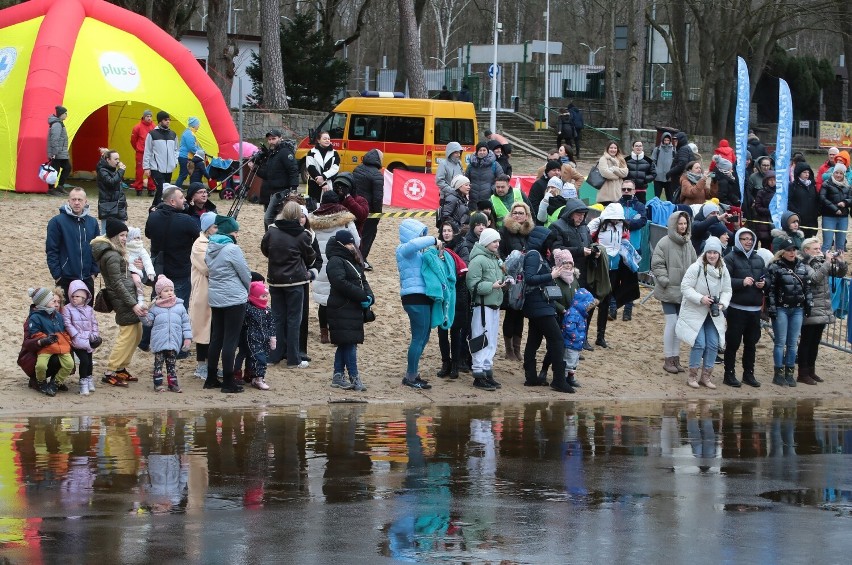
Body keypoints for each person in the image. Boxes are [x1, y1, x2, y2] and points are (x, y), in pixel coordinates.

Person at [90, 219, 147, 387]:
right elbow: (116, 283)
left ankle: (121, 368)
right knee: (127, 334)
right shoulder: (112, 255)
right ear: (113, 236)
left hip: (128, 297)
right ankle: (111, 370)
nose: (124, 239)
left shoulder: (116, 252)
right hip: (123, 300)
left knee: (137, 333)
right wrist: (133, 304)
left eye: (126, 235)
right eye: (122, 235)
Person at [262, 201, 317, 368]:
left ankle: (274, 355)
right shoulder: (302, 235)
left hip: (276, 280)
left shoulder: (272, 231)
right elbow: (310, 256)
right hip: (295, 280)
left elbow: (265, 249)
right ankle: (294, 358)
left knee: (278, 318)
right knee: (294, 320)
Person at [144, 184, 199, 350]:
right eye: (181, 198)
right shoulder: (186, 220)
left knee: (155, 304)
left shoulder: (153, 217)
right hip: (179, 269)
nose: (185, 200)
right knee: (179, 309)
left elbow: (148, 234)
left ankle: (145, 340)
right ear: (173, 201)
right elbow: (198, 238)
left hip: (159, 270)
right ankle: (179, 346)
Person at [499, 202, 554, 357]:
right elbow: (500, 253)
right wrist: (510, 266)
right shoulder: (504, 232)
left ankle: (517, 349)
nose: (517, 215)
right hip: (511, 277)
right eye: (515, 212)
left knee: (521, 314)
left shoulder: (532, 232)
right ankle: (509, 349)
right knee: (511, 312)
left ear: (527, 215)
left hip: (528, 278)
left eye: (521, 213)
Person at [676, 236, 732, 389]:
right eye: (709, 252)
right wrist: (701, 299)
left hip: (713, 313)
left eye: (715, 252)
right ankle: (692, 376)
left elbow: (727, 290)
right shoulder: (696, 267)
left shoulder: (723, 269)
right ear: (705, 253)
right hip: (695, 310)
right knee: (699, 343)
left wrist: (723, 303)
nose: (712, 255)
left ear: (719, 254)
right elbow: (685, 287)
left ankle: (706, 376)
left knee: (713, 344)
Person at [515, 249, 573, 392]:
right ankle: (558, 380)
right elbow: (529, 278)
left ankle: (531, 377)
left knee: (533, 340)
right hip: (539, 306)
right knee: (557, 340)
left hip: (540, 306)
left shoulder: (538, 255)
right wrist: (551, 275)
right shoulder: (534, 254)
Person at [205, 215, 251, 392]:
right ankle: (228, 381)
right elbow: (245, 273)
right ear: (229, 232)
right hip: (233, 298)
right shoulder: (232, 248)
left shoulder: (211, 246)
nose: (237, 235)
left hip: (216, 297)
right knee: (230, 339)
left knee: (217, 337)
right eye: (235, 231)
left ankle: (210, 378)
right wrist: (246, 290)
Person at [396, 219, 443, 389]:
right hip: (414, 296)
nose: (423, 236)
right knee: (418, 337)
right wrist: (433, 240)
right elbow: (414, 245)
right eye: (420, 233)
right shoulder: (403, 249)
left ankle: (413, 373)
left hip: (423, 296)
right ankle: (410, 376)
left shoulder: (418, 253)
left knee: (424, 336)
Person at [325, 230, 374, 391]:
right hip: (341, 307)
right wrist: (361, 296)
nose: (351, 246)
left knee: (346, 343)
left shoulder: (352, 259)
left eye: (352, 243)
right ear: (341, 244)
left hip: (352, 308)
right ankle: (354, 377)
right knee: (350, 343)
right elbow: (340, 282)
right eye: (348, 243)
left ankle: (338, 375)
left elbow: (362, 279)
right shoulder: (335, 260)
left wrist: (369, 296)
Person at [587, 203, 640, 348]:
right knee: (592, 301)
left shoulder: (622, 226)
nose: (616, 221)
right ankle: (584, 337)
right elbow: (587, 238)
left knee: (605, 303)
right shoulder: (597, 223)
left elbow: (624, 239)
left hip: (614, 268)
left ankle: (600, 337)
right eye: (614, 218)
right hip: (598, 267)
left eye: (619, 219)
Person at [652, 211, 697, 374]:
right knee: (671, 323)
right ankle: (668, 358)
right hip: (668, 290)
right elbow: (657, 264)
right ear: (673, 225)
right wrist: (665, 280)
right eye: (680, 223)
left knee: (679, 325)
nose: (683, 226)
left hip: (684, 291)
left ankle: (676, 358)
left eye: (685, 223)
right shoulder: (664, 242)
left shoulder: (688, 243)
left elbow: (695, 264)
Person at [310, 191, 357, 345]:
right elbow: (356, 240)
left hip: (320, 264)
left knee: (324, 301)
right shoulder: (345, 220)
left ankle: (324, 333)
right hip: (340, 263)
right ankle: (337, 333)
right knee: (339, 299)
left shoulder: (312, 221)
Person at [721, 227, 766, 388]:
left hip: (754, 310)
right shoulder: (730, 258)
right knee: (733, 343)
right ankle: (729, 374)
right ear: (738, 240)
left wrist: (763, 283)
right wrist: (741, 282)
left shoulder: (759, 258)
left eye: (750, 239)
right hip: (736, 308)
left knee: (751, 343)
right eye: (745, 239)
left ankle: (749, 374)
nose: (748, 242)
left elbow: (765, 277)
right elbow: (724, 281)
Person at [765, 237, 813, 387]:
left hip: (797, 307)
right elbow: (770, 290)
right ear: (782, 252)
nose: (792, 252)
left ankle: (789, 373)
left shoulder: (801, 266)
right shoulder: (775, 267)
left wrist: (808, 304)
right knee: (780, 342)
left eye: (794, 249)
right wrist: (772, 308)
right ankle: (778, 373)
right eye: (789, 250)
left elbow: (807, 288)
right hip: (781, 308)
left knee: (792, 343)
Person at [799, 238, 847, 384]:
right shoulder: (803, 263)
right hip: (810, 306)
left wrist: (841, 261)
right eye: (816, 249)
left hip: (823, 307)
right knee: (806, 341)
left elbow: (839, 274)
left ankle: (811, 371)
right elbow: (814, 278)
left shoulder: (820, 262)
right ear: (806, 250)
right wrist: (826, 262)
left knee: (815, 341)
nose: (819, 251)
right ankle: (802, 373)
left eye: (819, 248)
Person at [466, 228, 505, 391]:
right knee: (481, 338)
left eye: (498, 241)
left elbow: (498, 278)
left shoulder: (495, 259)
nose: (497, 244)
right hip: (482, 306)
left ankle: (487, 371)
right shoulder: (478, 260)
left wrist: (504, 279)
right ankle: (478, 373)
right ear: (486, 242)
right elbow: (472, 285)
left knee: (492, 340)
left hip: (494, 304)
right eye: (494, 241)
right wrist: (492, 285)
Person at [46, 188, 100, 301]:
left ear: (85, 201)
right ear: (68, 201)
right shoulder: (57, 222)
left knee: (85, 315)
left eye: (80, 199)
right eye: (73, 199)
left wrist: (94, 272)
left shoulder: (92, 222)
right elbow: (52, 250)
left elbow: (97, 249)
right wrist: (58, 276)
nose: (76, 202)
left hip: (87, 278)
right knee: (65, 315)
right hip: (65, 278)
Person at [144, 275, 191, 393]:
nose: (169, 292)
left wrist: (187, 338)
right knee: (158, 363)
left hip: (174, 340)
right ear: (159, 293)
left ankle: (173, 384)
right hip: (159, 341)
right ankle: (158, 384)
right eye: (166, 291)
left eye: (171, 290)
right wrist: (143, 314)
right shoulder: (155, 307)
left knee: (171, 363)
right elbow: (148, 322)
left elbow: (186, 323)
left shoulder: (180, 306)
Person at [435, 220, 469, 379]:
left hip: (457, 295)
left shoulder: (462, 247)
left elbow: (464, 269)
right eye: (444, 231)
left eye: (449, 230)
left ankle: (455, 364)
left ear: (455, 232)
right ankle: (445, 363)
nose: (446, 233)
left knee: (455, 332)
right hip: (442, 296)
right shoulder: (437, 247)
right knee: (442, 332)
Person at [26, 287, 74, 396]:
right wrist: (44, 339)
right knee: (41, 366)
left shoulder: (57, 315)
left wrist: (67, 341)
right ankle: (40, 382)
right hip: (46, 347)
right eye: (52, 300)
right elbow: (33, 334)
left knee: (69, 364)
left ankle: (55, 382)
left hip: (60, 345)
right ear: (43, 303)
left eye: (57, 301)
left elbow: (63, 330)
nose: (55, 303)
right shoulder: (35, 317)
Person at [611, 180, 648, 321]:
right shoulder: (615, 205)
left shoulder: (639, 206)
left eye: (629, 189)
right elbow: (611, 220)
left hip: (634, 248)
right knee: (615, 278)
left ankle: (627, 310)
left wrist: (624, 222)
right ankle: (613, 308)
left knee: (631, 280)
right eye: (624, 189)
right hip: (616, 247)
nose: (626, 191)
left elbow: (642, 221)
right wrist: (630, 221)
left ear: (634, 191)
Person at [189, 212, 218, 379]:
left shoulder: (216, 242)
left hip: (217, 292)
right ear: (207, 229)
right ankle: (201, 365)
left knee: (214, 329)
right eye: (214, 227)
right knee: (202, 329)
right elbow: (208, 268)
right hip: (203, 292)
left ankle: (212, 364)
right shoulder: (199, 244)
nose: (217, 229)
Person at [62, 280, 100, 396]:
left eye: (77, 296)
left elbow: (94, 323)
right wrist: (75, 335)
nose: (74, 298)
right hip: (77, 340)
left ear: (84, 297)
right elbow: (67, 323)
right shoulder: (67, 308)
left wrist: (95, 335)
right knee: (83, 360)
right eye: (72, 296)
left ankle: (89, 379)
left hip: (88, 339)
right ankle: (83, 382)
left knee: (89, 361)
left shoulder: (89, 309)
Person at [255, 128, 300, 213]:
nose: (271, 141)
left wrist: (293, 190)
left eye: (273, 139)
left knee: (275, 219)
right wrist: (254, 169)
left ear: (280, 138)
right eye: (269, 139)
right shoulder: (271, 153)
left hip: (281, 193)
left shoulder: (285, 152)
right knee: (268, 220)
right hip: (269, 193)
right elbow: (267, 174)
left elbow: (293, 170)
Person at [353, 148, 384, 269]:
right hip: (368, 210)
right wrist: (378, 215)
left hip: (355, 207)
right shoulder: (377, 175)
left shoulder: (358, 169)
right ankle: (361, 259)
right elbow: (377, 197)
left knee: (356, 233)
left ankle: (355, 257)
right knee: (368, 235)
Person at [243, 281, 276, 390]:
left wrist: (272, 338)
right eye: (263, 296)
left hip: (265, 340)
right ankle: (259, 378)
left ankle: (255, 377)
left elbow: (271, 325)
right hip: (253, 338)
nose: (265, 298)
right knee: (259, 358)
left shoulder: (267, 310)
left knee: (263, 358)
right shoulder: (249, 309)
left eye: (266, 296)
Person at [142, 111, 178, 208]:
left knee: (166, 190)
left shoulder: (173, 134)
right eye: (165, 120)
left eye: (169, 120)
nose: (168, 122)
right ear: (160, 121)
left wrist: (175, 161)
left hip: (169, 168)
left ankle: (157, 207)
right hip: (156, 167)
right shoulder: (152, 134)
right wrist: (146, 167)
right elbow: (147, 151)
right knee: (161, 188)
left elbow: (176, 150)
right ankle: (156, 208)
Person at [818, 163, 851, 252]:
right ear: (833, 173)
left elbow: (851, 198)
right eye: (836, 172)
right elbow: (822, 198)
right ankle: (825, 263)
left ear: (844, 174)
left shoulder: (847, 185)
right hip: (829, 216)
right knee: (827, 243)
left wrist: (845, 202)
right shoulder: (826, 184)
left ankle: (839, 263)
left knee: (841, 244)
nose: (838, 175)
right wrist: (835, 208)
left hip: (843, 217)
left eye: (841, 173)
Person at [96, 149, 127, 235]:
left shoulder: (113, 170)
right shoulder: (102, 171)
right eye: (115, 159)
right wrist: (120, 171)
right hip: (108, 207)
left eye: (118, 159)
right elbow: (111, 183)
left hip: (119, 205)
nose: (118, 161)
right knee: (106, 234)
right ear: (108, 160)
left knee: (121, 232)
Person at [466, 142, 503, 209]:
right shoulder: (471, 165)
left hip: (489, 200)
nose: (482, 152)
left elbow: (501, 179)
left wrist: (493, 189)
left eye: (484, 150)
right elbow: (466, 180)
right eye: (480, 150)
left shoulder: (495, 165)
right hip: (473, 200)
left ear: (488, 151)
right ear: (477, 152)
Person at [125, 226, 156, 305]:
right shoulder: (125, 248)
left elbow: (147, 261)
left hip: (135, 271)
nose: (137, 240)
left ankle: (141, 299)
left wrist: (150, 272)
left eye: (139, 238)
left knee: (137, 281)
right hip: (125, 271)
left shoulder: (141, 249)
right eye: (135, 238)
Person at [306, 131, 340, 201]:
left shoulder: (334, 153)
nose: (327, 140)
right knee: (314, 207)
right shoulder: (311, 152)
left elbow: (335, 168)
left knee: (328, 206)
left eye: (328, 139)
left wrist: (324, 176)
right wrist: (322, 183)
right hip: (315, 184)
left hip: (329, 184)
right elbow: (311, 168)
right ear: (318, 140)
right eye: (325, 139)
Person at [787, 162, 818, 239]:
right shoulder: (793, 186)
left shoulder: (812, 185)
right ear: (799, 173)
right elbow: (789, 201)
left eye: (808, 172)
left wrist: (817, 212)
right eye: (804, 172)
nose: (807, 174)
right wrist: (797, 212)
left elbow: (816, 200)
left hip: (812, 220)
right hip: (799, 219)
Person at [528, 160, 563, 225]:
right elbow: (532, 203)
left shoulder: (562, 184)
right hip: (541, 220)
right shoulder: (538, 184)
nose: (557, 172)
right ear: (547, 172)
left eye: (558, 170)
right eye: (554, 170)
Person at [130, 109, 156, 196]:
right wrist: (138, 148)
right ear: (143, 117)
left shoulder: (154, 127)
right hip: (141, 152)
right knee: (139, 171)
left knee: (152, 170)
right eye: (147, 116)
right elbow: (133, 141)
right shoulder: (137, 127)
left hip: (151, 153)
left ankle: (151, 188)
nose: (149, 118)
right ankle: (138, 188)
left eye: (150, 116)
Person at [47, 105, 71, 194]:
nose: (66, 115)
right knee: (54, 171)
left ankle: (59, 187)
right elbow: (54, 139)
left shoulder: (59, 123)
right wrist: (54, 152)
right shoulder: (57, 124)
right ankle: (51, 189)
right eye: (65, 113)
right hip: (57, 152)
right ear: (61, 114)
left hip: (61, 152)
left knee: (66, 168)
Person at [751, 171, 776, 250]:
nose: (772, 182)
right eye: (770, 180)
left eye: (774, 180)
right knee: (765, 244)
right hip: (764, 222)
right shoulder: (761, 192)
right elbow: (758, 207)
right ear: (766, 181)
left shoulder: (779, 192)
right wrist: (770, 211)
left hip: (776, 221)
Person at [667, 132, 695, 202]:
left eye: (676, 141)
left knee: (678, 199)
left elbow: (682, 164)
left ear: (681, 141)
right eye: (674, 141)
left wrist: (670, 172)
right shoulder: (685, 148)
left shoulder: (683, 149)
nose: (675, 143)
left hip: (679, 179)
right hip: (682, 178)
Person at [176, 117, 201, 188]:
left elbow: (195, 145)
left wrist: (201, 151)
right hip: (185, 157)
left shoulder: (191, 133)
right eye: (198, 124)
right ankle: (176, 189)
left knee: (184, 174)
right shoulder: (189, 134)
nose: (198, 126)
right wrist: (199, 153)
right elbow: (191, 147)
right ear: (194, 125)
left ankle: (178, 188)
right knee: (183, 174)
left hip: (187, 157)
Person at [651, 132, 675, 199]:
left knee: (670, 197)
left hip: (669, 178)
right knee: (657, 197)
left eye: (668, 140)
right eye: (665, 140)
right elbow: (653, 161)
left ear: (670, 140)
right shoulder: (657, 149)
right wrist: (655, 172)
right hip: (658, 177)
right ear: (662, 140)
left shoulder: (674, 150)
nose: (666, 142)